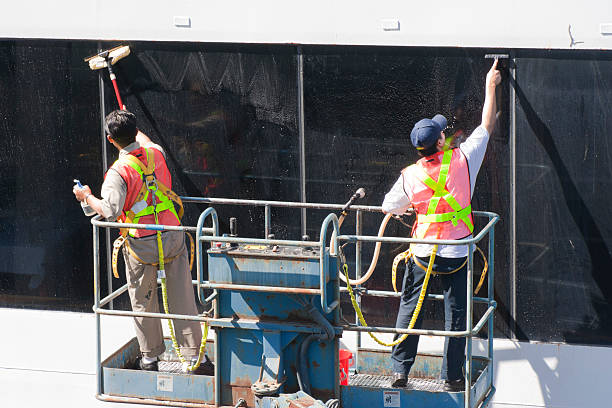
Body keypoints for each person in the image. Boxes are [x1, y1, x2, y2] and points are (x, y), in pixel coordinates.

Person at [382, 59, 501, 389]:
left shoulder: (410, 176)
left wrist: (408, 210)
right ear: (439, 142)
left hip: (421, 253)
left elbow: (387, 206)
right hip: (456, 253)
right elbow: (487, 125)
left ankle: (399, 372)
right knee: (457, 315)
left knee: (411, 308)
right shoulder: (464, 159)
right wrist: (491, 85)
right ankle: (451, 379)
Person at [73, 109, 213, 374]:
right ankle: (196, 359)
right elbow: (145, 141)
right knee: (182, 294)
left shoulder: (118, 172)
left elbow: (111, 211)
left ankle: (150, 359)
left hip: (142, 243)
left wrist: (86, 197)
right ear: (135, 130)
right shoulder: (155, 153)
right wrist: (129, 120)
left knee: (143, 300)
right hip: (172, 234)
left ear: (110, 139)